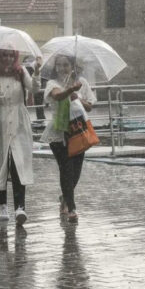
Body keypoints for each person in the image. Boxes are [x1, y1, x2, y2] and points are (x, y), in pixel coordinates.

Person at [0, 48, 42, 226]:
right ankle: (3, 205)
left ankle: (20, 206)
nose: (7, 58)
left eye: (11, 55)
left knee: (18, 162)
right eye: (4, 55)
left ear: (15, 57)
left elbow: (34, 88)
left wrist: (37, 71)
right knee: (0, 164)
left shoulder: (21, 72)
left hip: (19, 122)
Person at [40, 54, 96, 222]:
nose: (62, 68)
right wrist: (71, 90)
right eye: (59, 65)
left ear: (72, 66)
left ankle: (65, 197)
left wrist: (77, 96)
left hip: (78, 130)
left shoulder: (82, 82)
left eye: (66, 65)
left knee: (76, 172)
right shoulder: (52, 83)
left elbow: (89, 106)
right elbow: (57, 96)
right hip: (59, 133)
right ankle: (71, 208)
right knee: (66, 169)